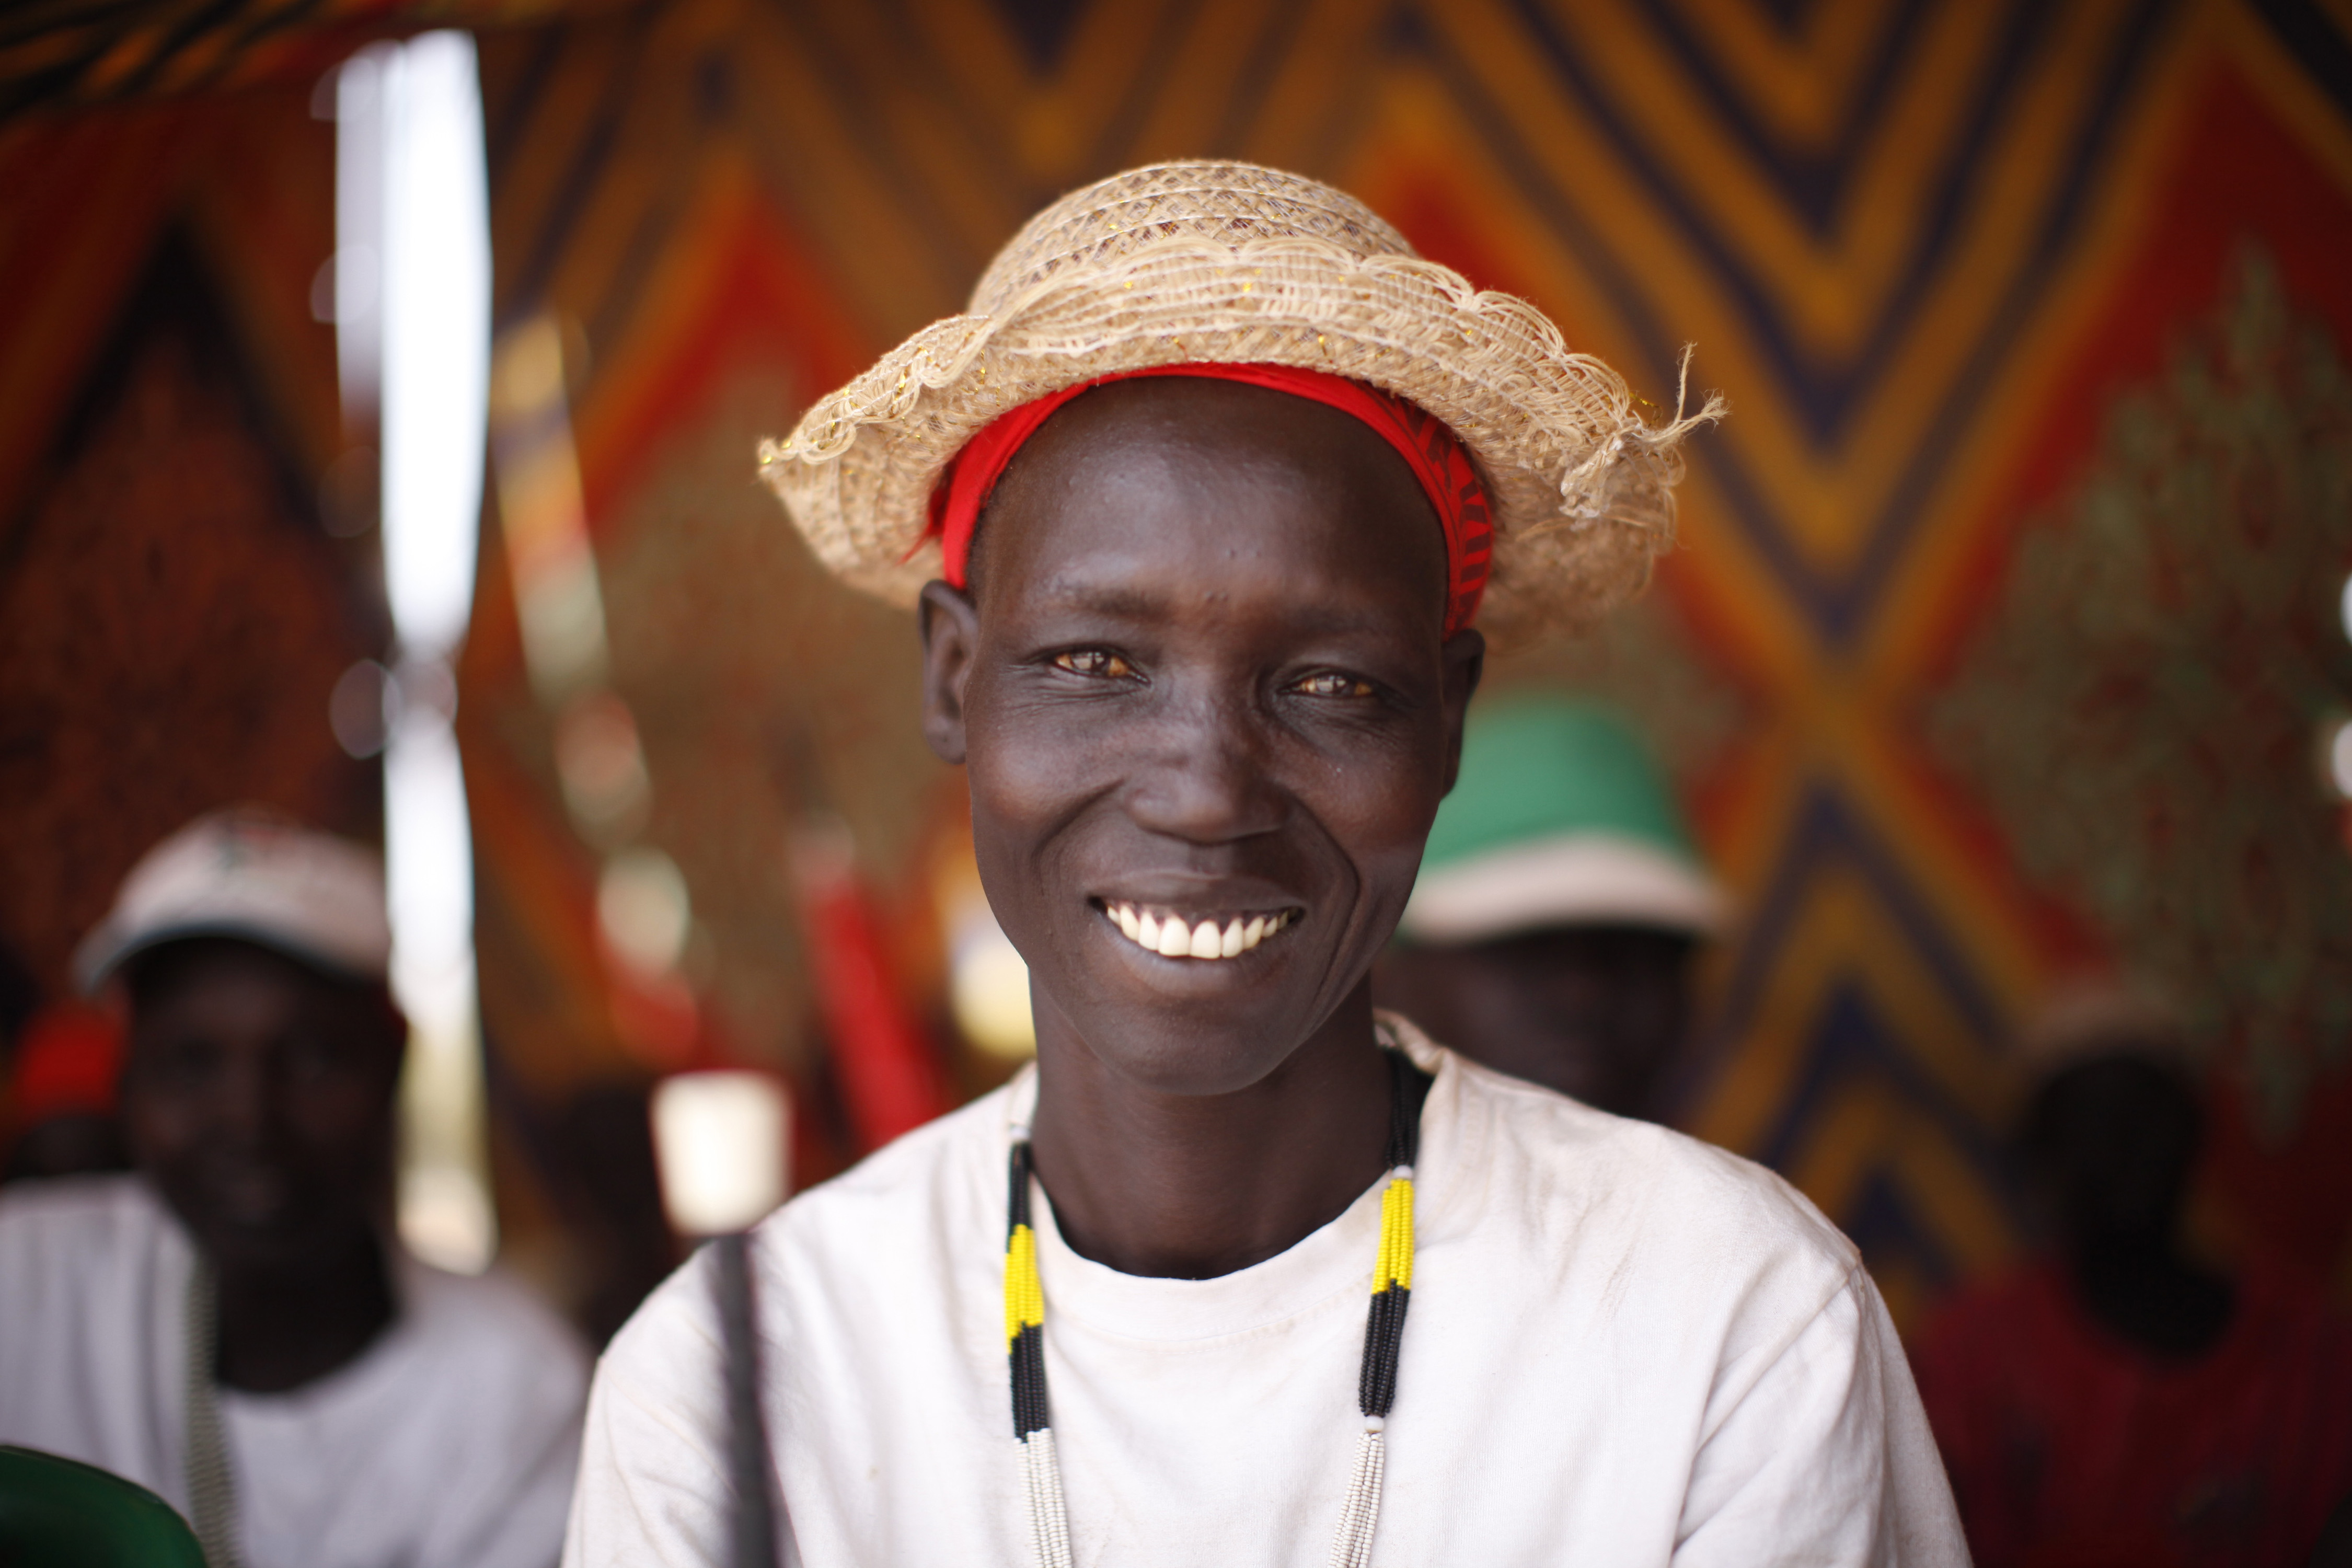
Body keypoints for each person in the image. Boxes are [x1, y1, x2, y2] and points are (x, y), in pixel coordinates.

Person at [567, 161, 1964, 1565]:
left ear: (1448, 717)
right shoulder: (733, 1392)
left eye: (1332, 687)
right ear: (950, 679)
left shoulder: (1719, 1323)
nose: (1204, 793)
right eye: (1095, 663)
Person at [0, 809, 589, 1568]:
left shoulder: (516, 1392)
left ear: (394, 1063)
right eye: (192, 1062)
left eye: (312, 1058)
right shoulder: (26, 1283)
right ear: (127, 1076)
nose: (249, 1119)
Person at [1914, 986, 2352, 1566]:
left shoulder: (2308, 1359)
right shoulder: (1971, 1356)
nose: (2122, 1146)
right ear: (2039, 1153)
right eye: (2087, 1119)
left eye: (2146, 1112)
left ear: (2195, 1129)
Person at [1373, 694, 1724, 1119]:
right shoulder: (1306, 1184)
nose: (1582, 995)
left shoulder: (1734, 1188)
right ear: (1389, 974)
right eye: (1523, 946)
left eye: (1633, 952)